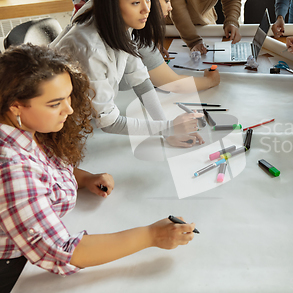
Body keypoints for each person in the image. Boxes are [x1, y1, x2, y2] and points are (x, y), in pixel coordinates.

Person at [0, 44, 196, 292]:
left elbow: (44, 167)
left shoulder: (26, 129)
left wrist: (83, 178)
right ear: (15, 106)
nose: (69, 109)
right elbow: (63, 253)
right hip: (16, 273)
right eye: (54, 104)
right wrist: (152, 235)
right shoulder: (11, 169)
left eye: (68, 96)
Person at [52, 0, 203, 147]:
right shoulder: (90, 49)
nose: (147, 9)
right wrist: (168, 127)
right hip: (59, 131)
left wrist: (166, 129)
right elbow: (109, 122)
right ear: (112, 3)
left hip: (82, 124)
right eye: (136, 2)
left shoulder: (120, 22)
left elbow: (140, 80)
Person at [71, 0, 220, 92]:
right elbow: (174, 84)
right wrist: (210, 81)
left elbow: (144, 84)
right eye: (167, 1)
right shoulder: (128, 34)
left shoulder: (129, 29)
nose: (171, 7)